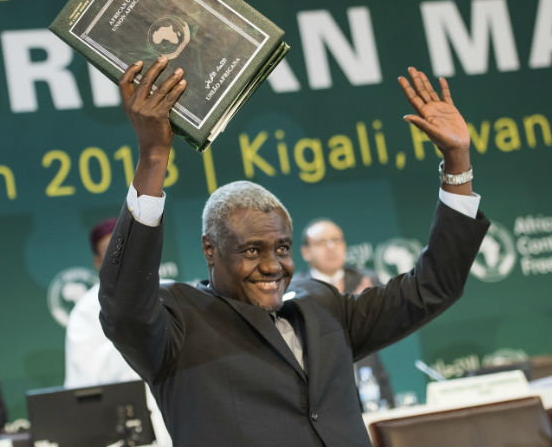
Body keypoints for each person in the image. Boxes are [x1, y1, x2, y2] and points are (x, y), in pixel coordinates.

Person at [98, 59, 489, 446]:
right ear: (210, 250)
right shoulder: (178, 321)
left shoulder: (321, 304)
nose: (272, 265)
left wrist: (457, 163)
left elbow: (432, 287)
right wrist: (152, 157)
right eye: (252, 250)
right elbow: (125, 305)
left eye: (281, 248)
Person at [65, 218, 172, 445]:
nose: (123, 255)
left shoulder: (170, 291)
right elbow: (84, 385)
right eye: (111, 250)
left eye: (128, 246)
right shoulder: (86, 312)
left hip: (179, 411)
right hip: (123, 427)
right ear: (97, 261)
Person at [296, 218, 395, 409]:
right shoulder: (296, 290)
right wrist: (352, 311)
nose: (331, 247)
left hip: (373, 386)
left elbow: (385, 329)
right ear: (305, 252)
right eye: (322, 242)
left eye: (337, 240)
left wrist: (367, 308)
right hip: (324, 395)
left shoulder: (367, 280)